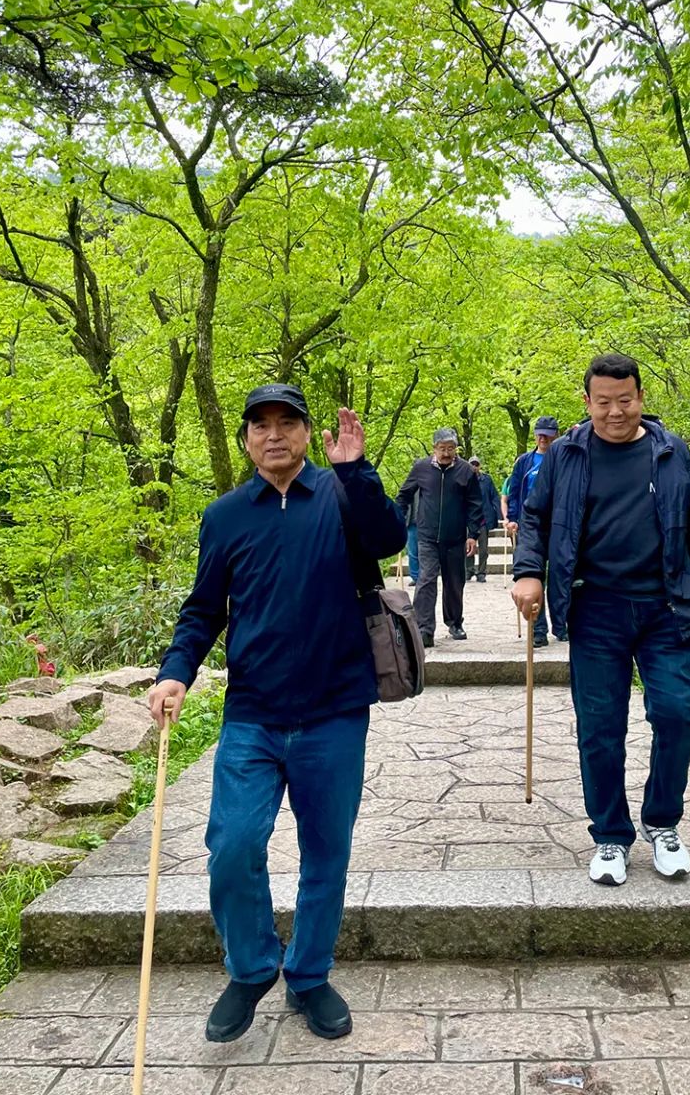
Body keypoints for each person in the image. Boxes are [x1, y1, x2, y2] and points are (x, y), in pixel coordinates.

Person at [147, 384, 406, 1045]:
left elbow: (387, 537)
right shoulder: (226, 516)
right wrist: (176, 671)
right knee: (231, 847)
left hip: (335, 710)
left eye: (286, 422)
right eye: (259, 425)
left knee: (327, 853)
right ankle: (253, 966)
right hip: (253, 715)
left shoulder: (341, 494)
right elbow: (204, 608)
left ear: (305, 431)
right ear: (244, 440)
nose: (273, 435)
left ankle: (311, 976)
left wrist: (356, 470)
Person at [512, 353, 690, 889]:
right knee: (601, 728)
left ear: (641, 399)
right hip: (595, 608)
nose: (616, 411)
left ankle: (662, 821)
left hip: (666, 606)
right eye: (604, 402)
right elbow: (536, 517)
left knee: (679, 712)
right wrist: (527, 572)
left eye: (625, 400)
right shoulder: (566, 455)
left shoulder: (671, 452)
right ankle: (610, 834)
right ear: (587, 403)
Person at [398, 427, 482, 647]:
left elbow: (475, 504)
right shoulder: (421, 468)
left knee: (455, 582)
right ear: (434, 448)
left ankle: (455, 622)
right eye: (442, 448)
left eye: (451, 448)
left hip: (455, 538)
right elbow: (404, 495)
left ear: (456, 449)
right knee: (426, 580)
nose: (446, 453)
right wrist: (397, 518)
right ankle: (424, 629)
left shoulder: (466, 471)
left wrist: (472, 535)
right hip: (427, 536)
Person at [506, 415, 564, 645]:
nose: (543, 438)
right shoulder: (524, 462)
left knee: (560, 576)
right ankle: (538, 630)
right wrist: (512, 517)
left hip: (559, 525)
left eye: (548, 434)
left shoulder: (564, 458)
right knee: (533, 576)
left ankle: (562, 625)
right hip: (530, 526)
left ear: (556, 435)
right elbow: (514, 489)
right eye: (540, 433)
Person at [465, 455, 502, 582]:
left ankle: (481, 572)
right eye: (472, 464)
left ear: (479, 465)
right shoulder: (464, 479)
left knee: (483, 548)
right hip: (469, 519)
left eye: (476, 464)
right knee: (468, 547)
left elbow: (494, 497)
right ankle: (468, 570)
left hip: (483, 519)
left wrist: (499, 515)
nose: (474, 466)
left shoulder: (487, 480)